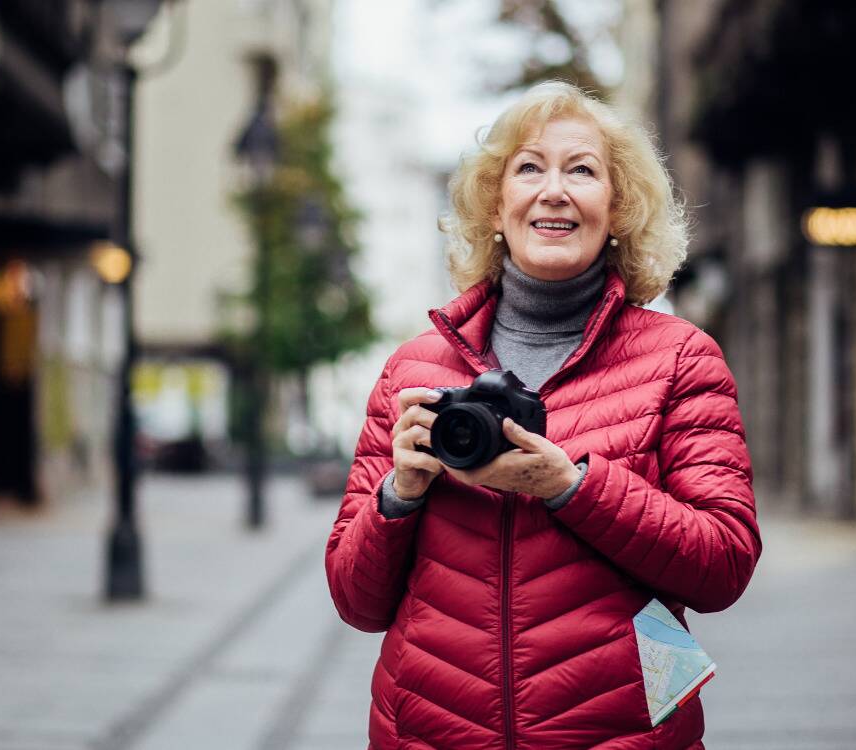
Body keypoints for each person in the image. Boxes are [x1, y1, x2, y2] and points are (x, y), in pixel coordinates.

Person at [325, 81, 761, 750]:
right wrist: (400, 494)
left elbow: (723, 563)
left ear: (617, 210)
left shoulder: (679, 359)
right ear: (496, 209)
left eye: (581, 170)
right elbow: (357, 604)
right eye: (529, 167)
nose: (553, 190)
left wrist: (571, 487)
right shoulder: (414, 371)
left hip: (620, 735)